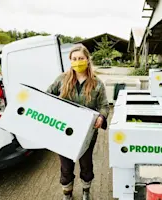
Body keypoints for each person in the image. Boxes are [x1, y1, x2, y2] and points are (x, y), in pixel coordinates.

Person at [46, 44, 109, 200]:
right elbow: (47, 96)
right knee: (66, 166)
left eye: (81, 58)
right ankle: (67, 192)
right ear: (70, 61)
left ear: (87, 60)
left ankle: (86, 190)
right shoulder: (62, 79)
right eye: (74, 59)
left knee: (86, 164)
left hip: (87, 133)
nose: (77, 61)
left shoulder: (97, 83)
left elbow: (104, 106)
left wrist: (101, 117)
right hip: (64, 131)